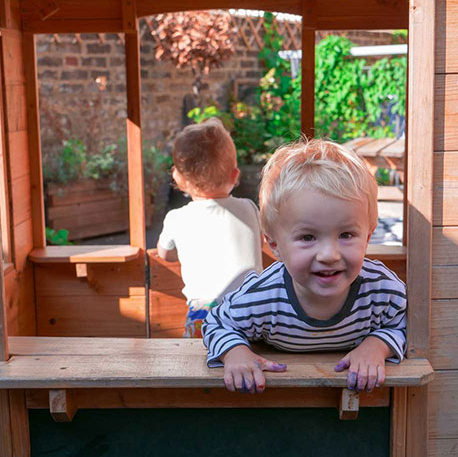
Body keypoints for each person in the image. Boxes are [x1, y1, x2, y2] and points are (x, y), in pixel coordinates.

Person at [202, 138, 407, 394]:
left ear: (367, 237)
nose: (329, 255)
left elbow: (404, 322)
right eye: (308, 238)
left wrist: (377, 345)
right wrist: (235, 353)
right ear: (275, 245)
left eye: (346, 235)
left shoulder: (382, 290)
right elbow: (216, 323)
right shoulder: (261, 297)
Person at [157, 117, 263, 338]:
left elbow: (164, 254)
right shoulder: (249, 209)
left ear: (179, 179)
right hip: (252, 313)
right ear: (235, 175)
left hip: (205, 315)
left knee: (199, 360)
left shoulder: (177, 218)